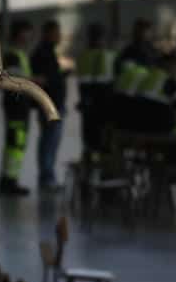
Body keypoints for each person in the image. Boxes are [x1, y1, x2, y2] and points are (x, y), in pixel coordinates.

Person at [0, 20, 36, 196]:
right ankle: (9, 181)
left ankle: (10, 179)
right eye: (27, 32)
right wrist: (35, 81)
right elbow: (15, 79)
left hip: (20, 106)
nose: (29, 36)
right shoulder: (13, 55)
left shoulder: (20, 54)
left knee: (16, 144)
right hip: (16, 107)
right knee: (15, 143)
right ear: (19, 34)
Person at [34, 20, 70, 193]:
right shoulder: (43, 53)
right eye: (56, 33)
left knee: (50, 142)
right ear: (47, 33)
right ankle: (47, 178)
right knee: (49, 142)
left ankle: (48, 176)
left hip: (54, 104)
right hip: (50, 106)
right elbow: (44, 78)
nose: (59, 36)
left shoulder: (49, 53)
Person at [75, 23, 116, 160]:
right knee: (104, 138)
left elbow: (82, 82)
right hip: (105, 104)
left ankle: (90, 164)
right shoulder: (109, 55)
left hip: (88, 105)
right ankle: (103, 165)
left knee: (89, 138)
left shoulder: (82, 56)